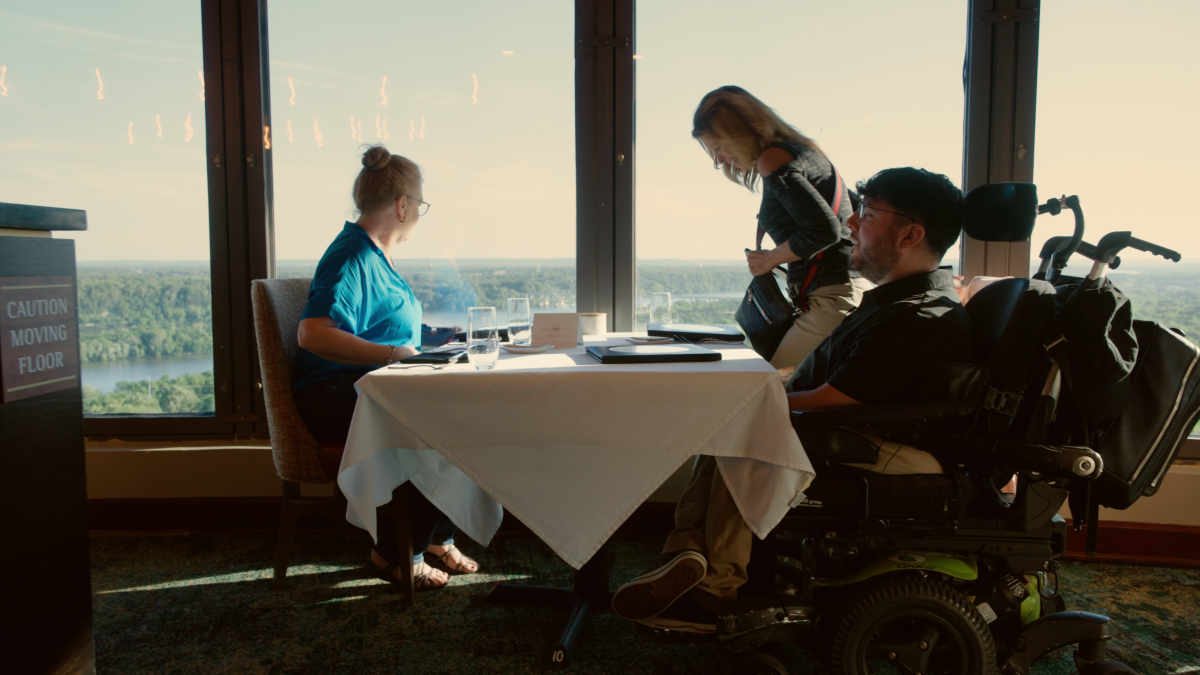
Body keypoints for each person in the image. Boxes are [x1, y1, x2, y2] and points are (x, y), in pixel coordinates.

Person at [612, 167, 970, 633]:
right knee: (738, 412)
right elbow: (832, 379)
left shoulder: (916, 315)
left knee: (749, 428)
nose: (850, 224)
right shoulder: (891, 301)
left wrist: (759, 402)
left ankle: (715, 591)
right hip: (860, 426)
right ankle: (687, 555)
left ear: (910, 234)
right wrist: (760, 384)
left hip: (882, 443)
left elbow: (840, 399)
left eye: (866, 214)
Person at [292, 144, 478, 591]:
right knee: (446, 423)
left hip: (369, 385)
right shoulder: (351, 256)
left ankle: (436, 537)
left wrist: (434, 339)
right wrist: (397, 355)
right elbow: (312, 334)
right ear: (402, 205)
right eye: (420, 207)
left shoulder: (377, 255)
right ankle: (394, 552)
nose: (417, 216)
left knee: (472, 413)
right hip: (335, 393)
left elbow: (381, 325)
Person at [692, 86, 874, 374]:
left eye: (718, 146)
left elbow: (826, 230)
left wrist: (770, 259)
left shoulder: (773, 158)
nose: (720, 159)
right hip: (845, 290)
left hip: (833, 297)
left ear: (739, 131)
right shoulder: (805, 152)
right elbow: (848, 214)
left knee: (768, 387)